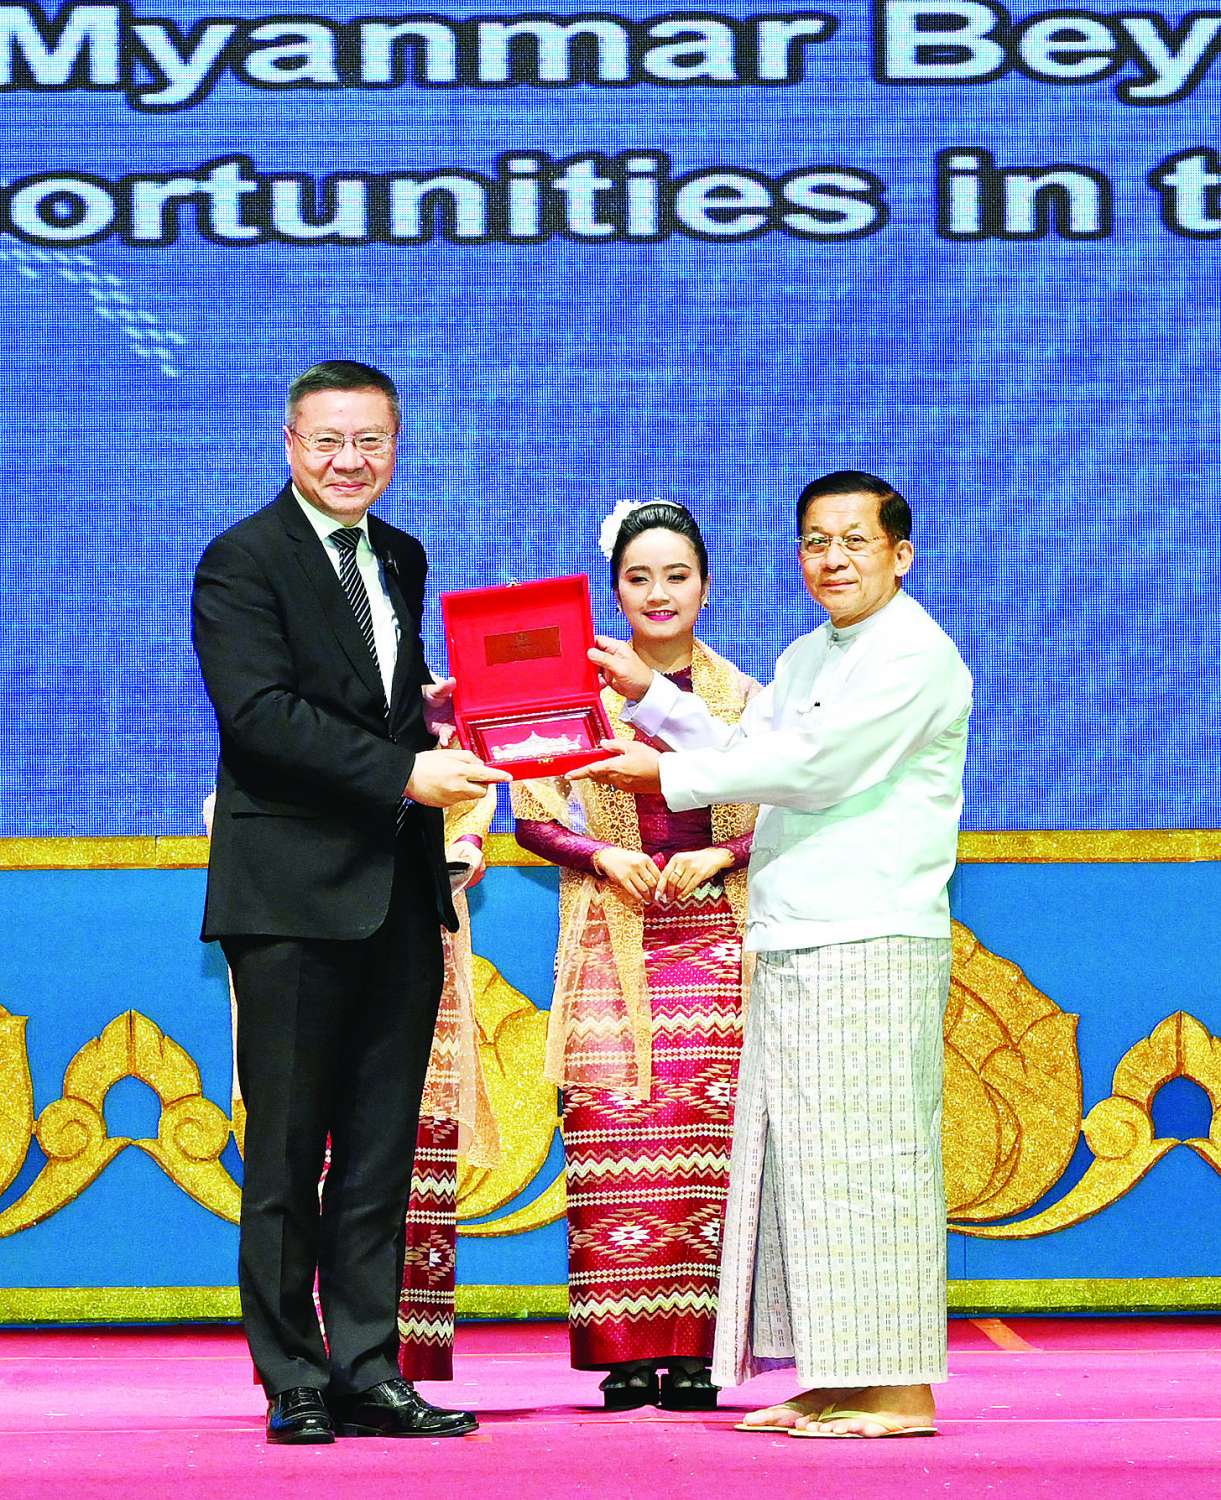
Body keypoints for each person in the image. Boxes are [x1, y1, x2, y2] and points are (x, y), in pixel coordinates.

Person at [571, 471, 972, 1439]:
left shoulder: (913, 653)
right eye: (815, 543)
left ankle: (899, 1387)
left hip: (868, 933)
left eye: (854, 541)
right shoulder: (806, 654)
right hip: (794, 935)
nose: (832, 559)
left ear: (900, 554)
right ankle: (837, 1375)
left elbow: (814, 768)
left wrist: (664, 773)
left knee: (874, 1160)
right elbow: (746, 743)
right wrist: (652, 700)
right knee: (807, 1168)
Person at [192, 360, 509, 1444]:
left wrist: (438, 715)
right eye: (328, 440)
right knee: (287, 1153)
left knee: (379, 1154)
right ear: (290, 443)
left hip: (399, 896)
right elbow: (260, 717)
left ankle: (367, 1369)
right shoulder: (242, 559)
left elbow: (373, 705)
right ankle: (292, 1374)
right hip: (288, 897)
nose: (349, 461)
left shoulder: (401, 555)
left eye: (370, 441)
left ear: (396, 446)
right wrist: (406, 770)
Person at [513, 500, 757, 1410]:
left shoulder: (746, 697)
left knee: (707, 1149)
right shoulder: (574, 693)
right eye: (638, 577)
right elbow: (531, 815)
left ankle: (698, 1353)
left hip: (717, 941)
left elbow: (789, 807)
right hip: (609, 939)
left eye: (676, 575)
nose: (658, 593)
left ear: (706, 586)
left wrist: (720, 856)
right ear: (613, 592)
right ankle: (622, 1351)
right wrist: (600, 855)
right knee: (612, 1134)